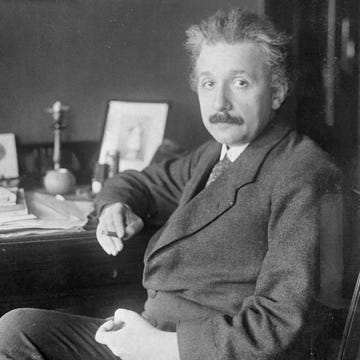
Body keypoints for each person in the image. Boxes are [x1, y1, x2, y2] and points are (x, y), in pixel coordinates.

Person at [0, 8, 342, 360]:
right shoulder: (217, 154)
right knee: (17, 330)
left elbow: (282, 323)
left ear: (276, 91)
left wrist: (157, 347)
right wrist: (116, 207)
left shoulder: (303, 171)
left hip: (200, 351)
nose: (220, 102)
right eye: (209, 83)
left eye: (240, 82)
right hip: (153, 334)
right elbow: (139, 183)